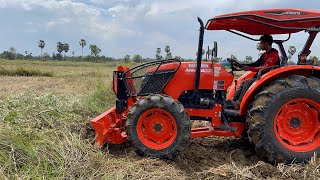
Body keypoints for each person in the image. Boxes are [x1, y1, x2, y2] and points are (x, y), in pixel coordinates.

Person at [230, 34, 280, 109]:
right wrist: (243, 65)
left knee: (247, 82)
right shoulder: (264, 55)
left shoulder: (273, 54)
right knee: (243, 82)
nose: (260, 45)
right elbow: (255, 64)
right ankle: (234, 100)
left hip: (267, 77)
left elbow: (265, 68)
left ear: (266, 43)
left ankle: (239, 103)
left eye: (261, 43)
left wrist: (249, 68)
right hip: (262, 75)